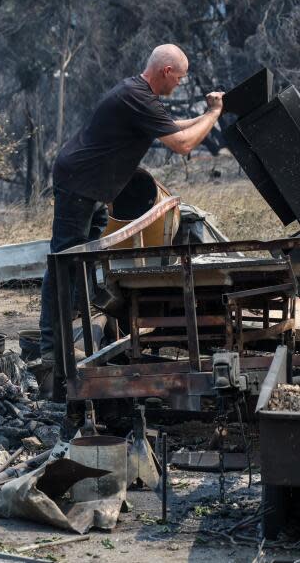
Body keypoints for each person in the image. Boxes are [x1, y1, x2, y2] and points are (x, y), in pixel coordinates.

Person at [37, 44, 224, 395]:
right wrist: (213, 114)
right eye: (180, 78)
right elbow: (182, 144)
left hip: (94, 190)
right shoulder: (135, 96)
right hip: (79, 185)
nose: (180, 85)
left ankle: (76, 337)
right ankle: (50, 354)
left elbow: (172, 126)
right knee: (62, 265)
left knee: (80, 266)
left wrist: (206, 117)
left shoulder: (140, 97)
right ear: (167, 71)